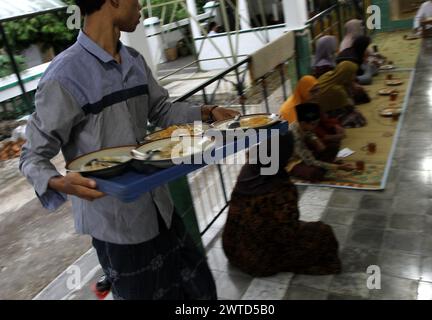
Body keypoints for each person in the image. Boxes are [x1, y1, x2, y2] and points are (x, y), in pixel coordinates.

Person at [19, 0, 240, 300]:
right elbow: (32, 154)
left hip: (161, 209)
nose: (140, 7)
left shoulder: (134, 61)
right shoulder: (64, 77)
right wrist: (58, 182)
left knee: (200, 291)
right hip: (118, 227)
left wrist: (207, 111)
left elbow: (161, 110)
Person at [222, 132, 342, 277]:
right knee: (323, 232)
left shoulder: (249, 169)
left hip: (233, 247)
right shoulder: (282, 189)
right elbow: (287, 235)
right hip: (259, 261)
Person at [287, 103, 354, 182]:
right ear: (303, 123)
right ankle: (325, 167)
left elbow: (311, 135)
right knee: (315, 174)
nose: (315, 126)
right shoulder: (294, 135)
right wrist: (338, 167)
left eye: (317, 123)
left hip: (306, 156)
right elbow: (310, 161)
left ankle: (324, 166)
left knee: (333, 145)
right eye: (313, 124)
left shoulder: (304, 126)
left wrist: (316, 140)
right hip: (292, 162)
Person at [279, 75, 345, 144]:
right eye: (312, 91)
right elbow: (301, 134)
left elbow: (322, 119)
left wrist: (334, 126)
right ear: (304, 90)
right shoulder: (290, 110)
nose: (316, 94)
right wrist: (327, 137)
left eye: (317, 90)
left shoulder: (309, 100)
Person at [316, 61, 367, 128]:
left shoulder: (328, 74)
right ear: (347, 75)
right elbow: (351, 106)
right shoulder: (337, 90)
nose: (354, 76)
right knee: (359, 118)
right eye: (353, 74)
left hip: (320, 108)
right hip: (324, 114)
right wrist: (352, 87)